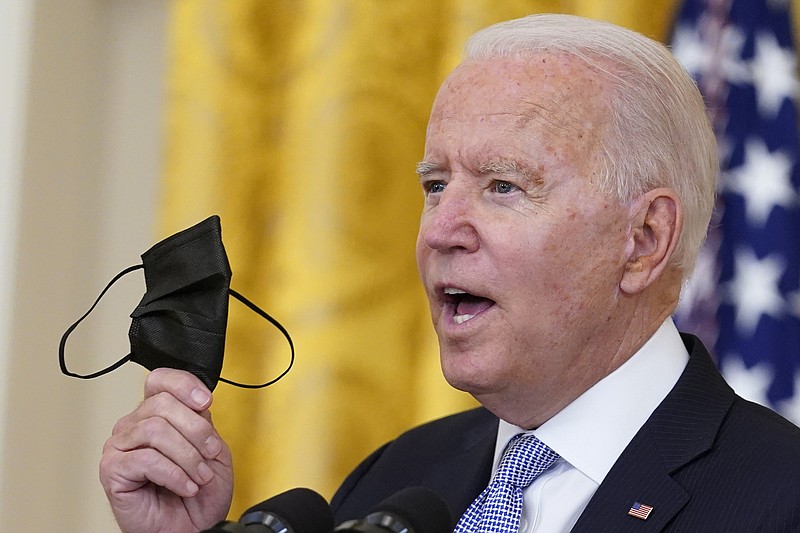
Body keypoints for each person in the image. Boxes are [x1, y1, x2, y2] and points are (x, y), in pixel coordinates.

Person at [99, 13, 800, 533]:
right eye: (436, 185)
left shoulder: (777, 496)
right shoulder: (397, 478)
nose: (438, 230)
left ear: (644, 239)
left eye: (503, 186)